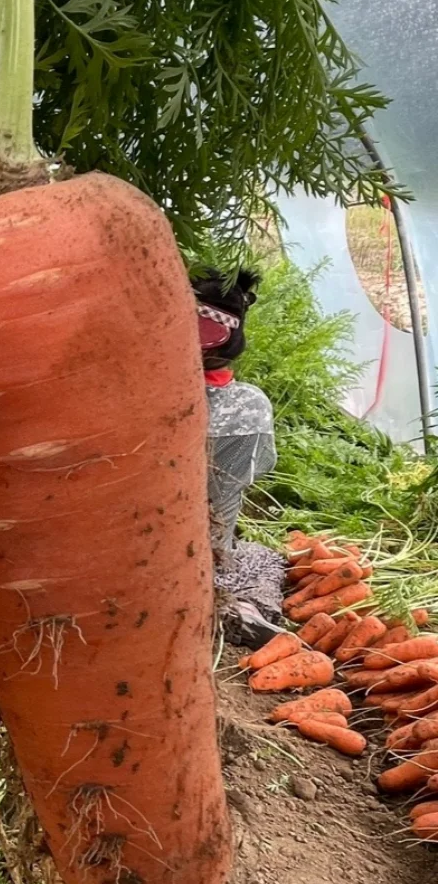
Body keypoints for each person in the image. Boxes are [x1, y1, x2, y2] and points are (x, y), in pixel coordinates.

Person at [192, 268, 283, 645]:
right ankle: (237, 606)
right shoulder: (251, 404)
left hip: (131, 539)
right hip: (210, 550)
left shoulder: (133, 395)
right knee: (265, 561)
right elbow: (257, 469)